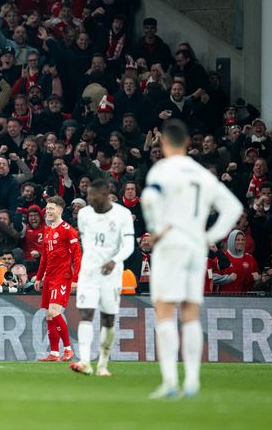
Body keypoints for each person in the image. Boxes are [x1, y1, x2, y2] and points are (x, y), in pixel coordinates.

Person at [141, 120, 242, 399]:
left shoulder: (162, 170)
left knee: (164, 310)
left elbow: (150, 197)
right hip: (196, 247)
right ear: (188, 143)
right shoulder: (201, 174)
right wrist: (210, 236)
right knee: (190, 313)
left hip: (170, 245)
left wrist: (156, 227)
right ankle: (193, 382)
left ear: (163, 143)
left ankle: (171, 381)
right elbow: (233, 207)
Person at [70, 179, 135, 377]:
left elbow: (129, 246)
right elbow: (87, 242)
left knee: (108, 319)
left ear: (106, 195)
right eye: (88, 195)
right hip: (89, 272)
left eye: (93, 195)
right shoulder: (84, 214)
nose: (89, 199)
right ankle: (84, 361)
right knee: (86, 314)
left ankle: (103, 365)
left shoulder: (122, 214)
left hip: (112, 273)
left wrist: (114, 261)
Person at [34, 196, 81, 362]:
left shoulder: (68, 229)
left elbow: (77, 254)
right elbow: (44, 258)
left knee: (55, 311)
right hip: (50, 277)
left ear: (60, 210)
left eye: (51, 208)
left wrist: (75, 278)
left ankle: (68, 349)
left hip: (63, 276)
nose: (48, 212)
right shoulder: (47, 230)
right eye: (47, 209)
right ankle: (54, 353)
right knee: (48, 314)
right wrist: (39, 277)